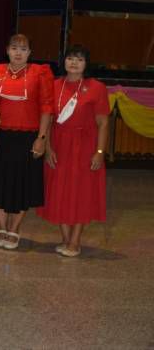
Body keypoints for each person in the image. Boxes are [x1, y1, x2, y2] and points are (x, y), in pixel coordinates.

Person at [0, 34, 53, 250]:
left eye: (23, 49)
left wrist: (41, 138)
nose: (18, 53)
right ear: (7, 50)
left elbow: (47, 108)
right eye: (14, 48)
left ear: (30, 52)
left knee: (23, 183)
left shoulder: (40, 73)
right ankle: (1, 227)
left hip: (28, 137)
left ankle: (14, 228)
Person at [38, 45, 109, 257]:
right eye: (70, 58)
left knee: (82, 192)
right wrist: (48, 147)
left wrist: (99, 151)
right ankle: (65, 238)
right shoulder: (53, 85)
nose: (74, 63)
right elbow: (47, 119)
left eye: (79, 59)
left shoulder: (96, 88)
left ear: (86, 64)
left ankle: (75, 240)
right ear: (64, 61)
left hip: (85, 146)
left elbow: (103, 123)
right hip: (58, 144)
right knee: (58, 191)